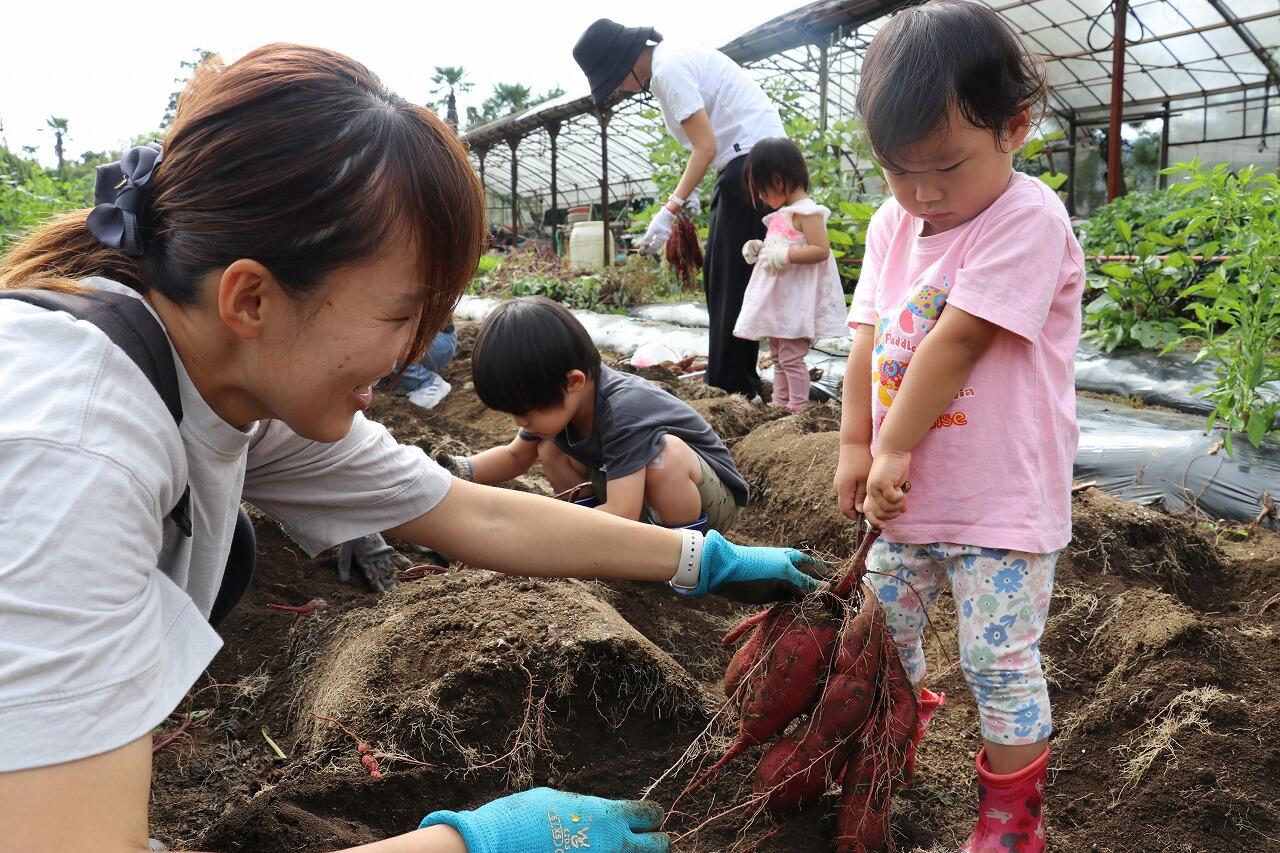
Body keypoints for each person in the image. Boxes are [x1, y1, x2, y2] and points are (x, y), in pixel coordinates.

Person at [0, 45, 825, 853]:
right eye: (401, 315)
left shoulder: (230, 383)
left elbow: (474, 514)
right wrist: (474, 844)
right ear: (251, 297)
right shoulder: (74, 457)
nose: (415, 354)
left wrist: (700, 557)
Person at [831, 3, 1083, 850]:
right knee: (879, 645)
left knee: (997, 662)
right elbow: (867, 335)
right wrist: (856, 446)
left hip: (1000, 502)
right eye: (900, 171)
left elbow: (960, 337)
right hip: (905, 499)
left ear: (1014, 126)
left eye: (944, 166)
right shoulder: (891, 223)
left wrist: (893, 444)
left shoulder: (1027, 216)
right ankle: (880, 762)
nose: (923, 193)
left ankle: (1011, 822)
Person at [573, 19, 785, 399]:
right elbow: (710, 144)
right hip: (751, 165)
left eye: (613, 80)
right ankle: (737, 381)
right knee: (729, 280)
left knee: (728, 283)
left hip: (751, 167)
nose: (619, 89)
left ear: (624, 60)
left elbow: (705, 146)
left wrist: (670, 208)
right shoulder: (671, 62)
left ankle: (731, 388)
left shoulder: (668, 68)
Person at [447, 296, 746, 534]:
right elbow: (515, 457)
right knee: (549, 446)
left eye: (524, 411)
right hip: (637, 498)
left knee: (664, 457)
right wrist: (457, 473)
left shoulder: (623, 411)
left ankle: (683, 560)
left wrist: (545, 529)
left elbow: (622, 511)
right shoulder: (562, 401)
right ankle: (597, 536)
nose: (519, 422)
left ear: (573, 382)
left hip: (709, 504)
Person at [734, 138, 850, 412]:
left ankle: (797, 407)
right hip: (781, 303)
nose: (760, 199)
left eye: (760, 190)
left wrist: (784, 255)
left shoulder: (807, 213)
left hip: (796, 302)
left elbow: (820, 250)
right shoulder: (782, 216)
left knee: (791, 357)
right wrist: (762, 249)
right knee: (778, 355)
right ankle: (779, 403)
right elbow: (782, 246)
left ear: (777, 180)